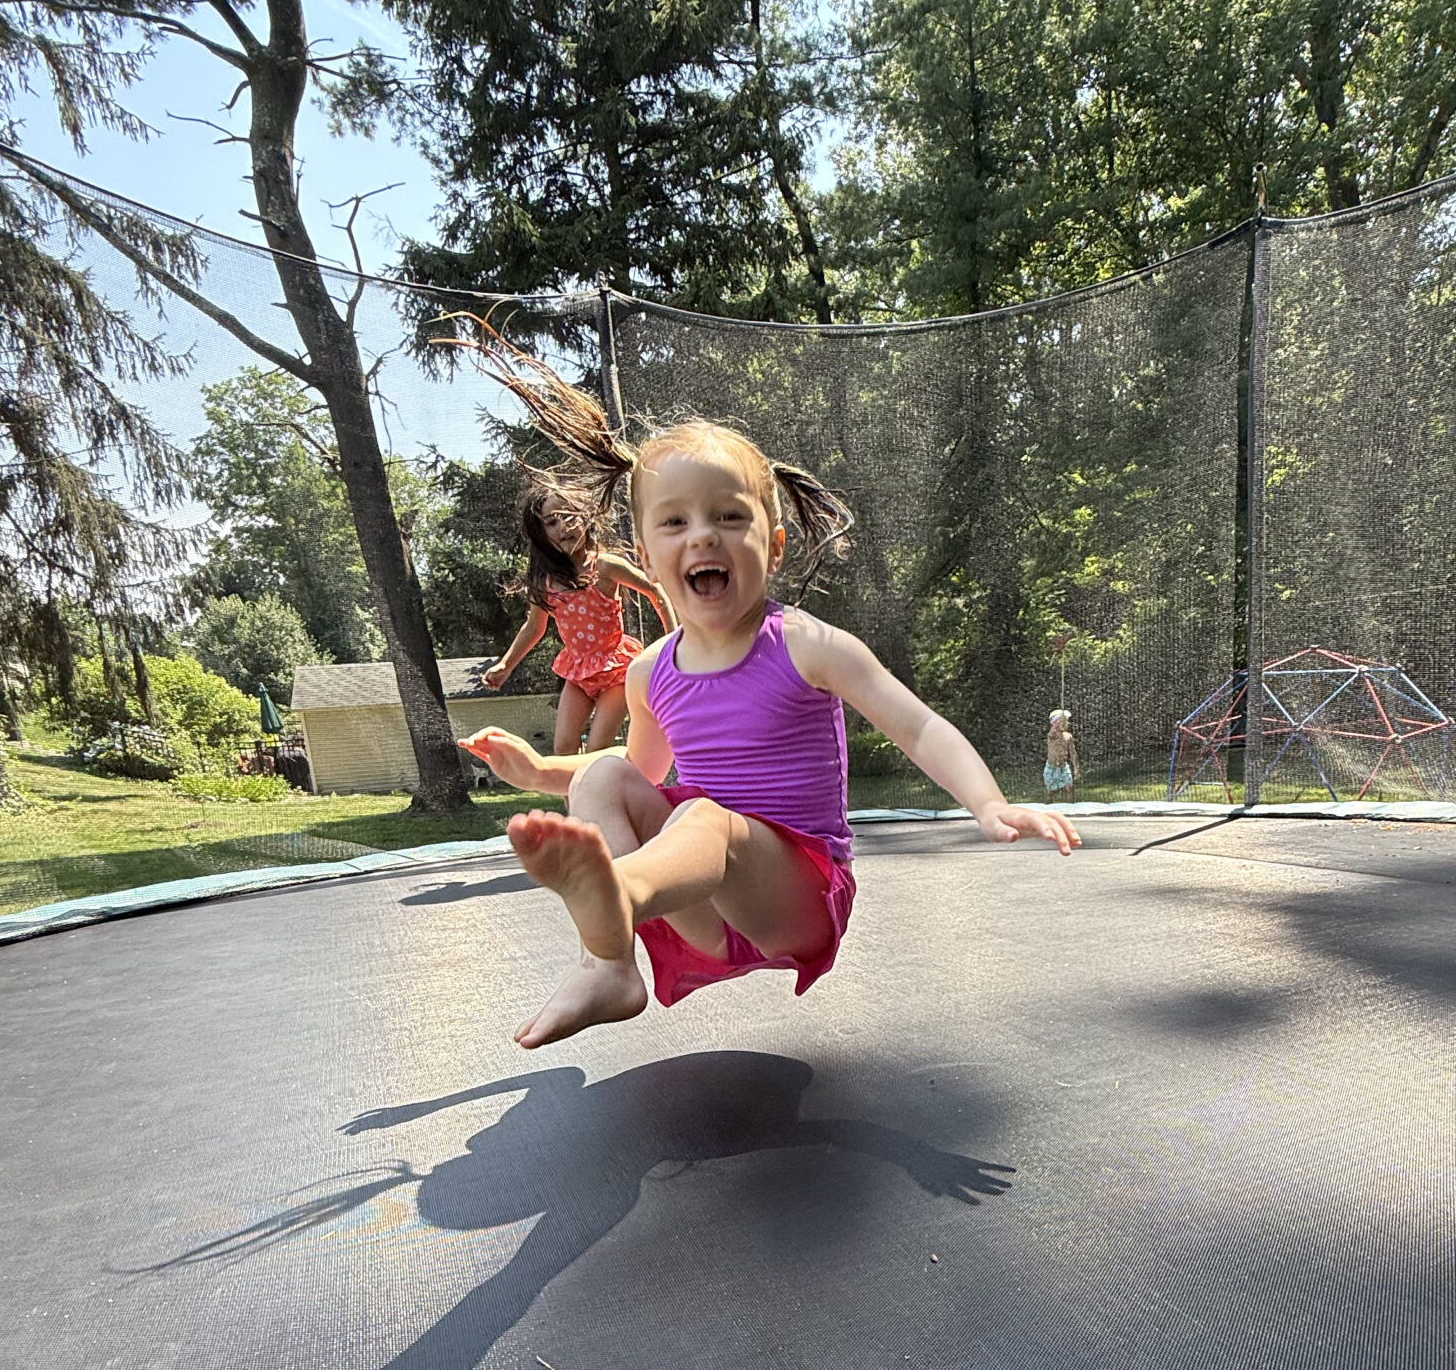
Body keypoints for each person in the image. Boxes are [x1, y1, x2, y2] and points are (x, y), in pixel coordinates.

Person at [448, 338, 1079, 1050]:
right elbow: (643, 775)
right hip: (709, 912)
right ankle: (610, 964)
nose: (703, 537)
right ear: (647, 558)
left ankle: (615, 898)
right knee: (606, 774)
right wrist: (538, 773)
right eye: (676, 522)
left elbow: (919, 726)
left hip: (800, 896)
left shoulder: (806, 645)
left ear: (773, 547)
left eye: (729, 517)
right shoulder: (650, 670)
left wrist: (987, 803)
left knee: (708, 820)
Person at [479, 481, 670, 757]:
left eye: (569, 516)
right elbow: (534, 627)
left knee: (596, 748)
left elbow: (655, 590)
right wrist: (506, 665)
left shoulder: (604, 566)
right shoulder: (544, 582)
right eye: (552, 522)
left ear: (585, 518)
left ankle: (614, 792)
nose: (564, 527)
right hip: (578, 674)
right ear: (542, 533)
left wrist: (672, 643)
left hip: (616, 670)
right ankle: (574, 801)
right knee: (564, 750)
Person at [1044, 708, 1080, 795]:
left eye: (1066, 721)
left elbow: (1073, 753)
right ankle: (1049, 806)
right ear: (1053, 723)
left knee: (1070, 788)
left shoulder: (1068, 737)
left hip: (1063, 766)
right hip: (1051, 767)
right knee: (1050, 792)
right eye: (1061, 721)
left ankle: (1071, 807)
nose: (1065, 723)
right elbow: (1052, 732)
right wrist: (1056, 724)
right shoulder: (1051, 735)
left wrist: (1076, 768)